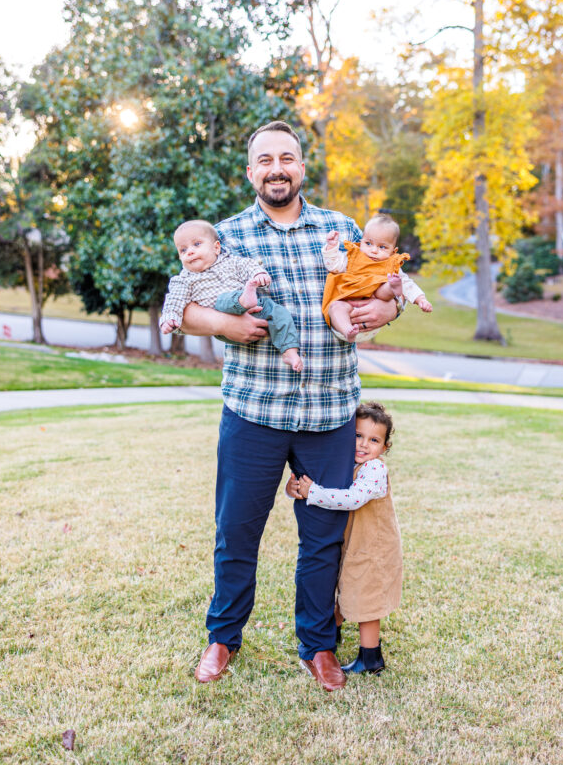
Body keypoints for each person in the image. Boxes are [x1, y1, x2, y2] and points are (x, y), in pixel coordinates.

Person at [178, 120, 402, 692]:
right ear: (251, 171)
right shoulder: (223, 237)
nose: (277, 168)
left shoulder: (341, 228)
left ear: (302, 166)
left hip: (330, 414)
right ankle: (223, 638)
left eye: (287, 158)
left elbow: (378, 291)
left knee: (323, 536)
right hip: (253, 412)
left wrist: (388, 312)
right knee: (236, 532)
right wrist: (229, 323)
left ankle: (319, 647)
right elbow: (182, 306)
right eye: (265, 160)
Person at [286, 400, 402, 675]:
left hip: (374, 548)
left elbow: (352, 499)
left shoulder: (375, 470)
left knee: (367, 600)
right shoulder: (347, 464)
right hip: (355, 545)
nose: (363, 445)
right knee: (347, 590)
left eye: (374, 440)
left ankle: (371, 658)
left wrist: (312, 492)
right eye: (358, 436)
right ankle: (331, 635)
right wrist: (294, 489)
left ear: (384, 448)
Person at [159, 219, 303, 372]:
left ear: (216, 248)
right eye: (183, 250)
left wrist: (258, 273)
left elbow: (248, 266)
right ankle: (243, 299)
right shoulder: (184, 280)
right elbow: (174, 301)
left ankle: (289, 351)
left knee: (278, 312)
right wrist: (169, 318)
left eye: (196, 244)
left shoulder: (231, 262)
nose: (190, 251)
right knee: (223, 299)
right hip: (222, 316)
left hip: (254, 311)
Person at [322, 214, 432, 343]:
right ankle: (347, 331)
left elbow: (408, 284)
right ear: (362, 240)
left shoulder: (391, 264)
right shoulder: (353, 257)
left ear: (393, 251)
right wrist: (331, 247)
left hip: (373, 308)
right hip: (348, 310)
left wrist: (421, 299)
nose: (374, 250)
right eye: (368, 243)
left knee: (388, 284)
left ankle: (392, 287)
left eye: (382, 247)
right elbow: (333, 266)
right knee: (335, 307)